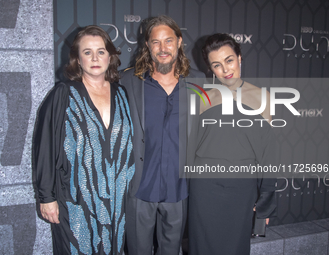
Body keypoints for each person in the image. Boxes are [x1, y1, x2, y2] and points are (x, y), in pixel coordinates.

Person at [33, 25, 134, 255]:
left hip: (117, 202)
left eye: (101, 51)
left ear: (110, 56)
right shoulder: (63, 94)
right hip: (75, 200)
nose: (95, 58)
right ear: (78, 59)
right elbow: (45, 147)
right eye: (87, 52)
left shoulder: (122, 94)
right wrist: (46, 197)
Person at [119, 15, 205, 255]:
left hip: (179, 187)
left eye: (168, 40)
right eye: (155, 42)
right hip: (139, 186)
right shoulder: (127, 81)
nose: (162, 48)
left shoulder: (200, 82)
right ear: (147, 45)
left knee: (172, 250)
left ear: (179, 42)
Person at [188, 33, 277, 255]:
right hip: (204, 187)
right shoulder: (202, 98)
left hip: (241, 188)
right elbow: (189, 148)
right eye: (216, 65)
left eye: (229, 60)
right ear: (210, 69)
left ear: (239, 57)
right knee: (202, 247)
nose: (225, 69)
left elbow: (269, 154)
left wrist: (265, 203)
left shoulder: (262, 98)